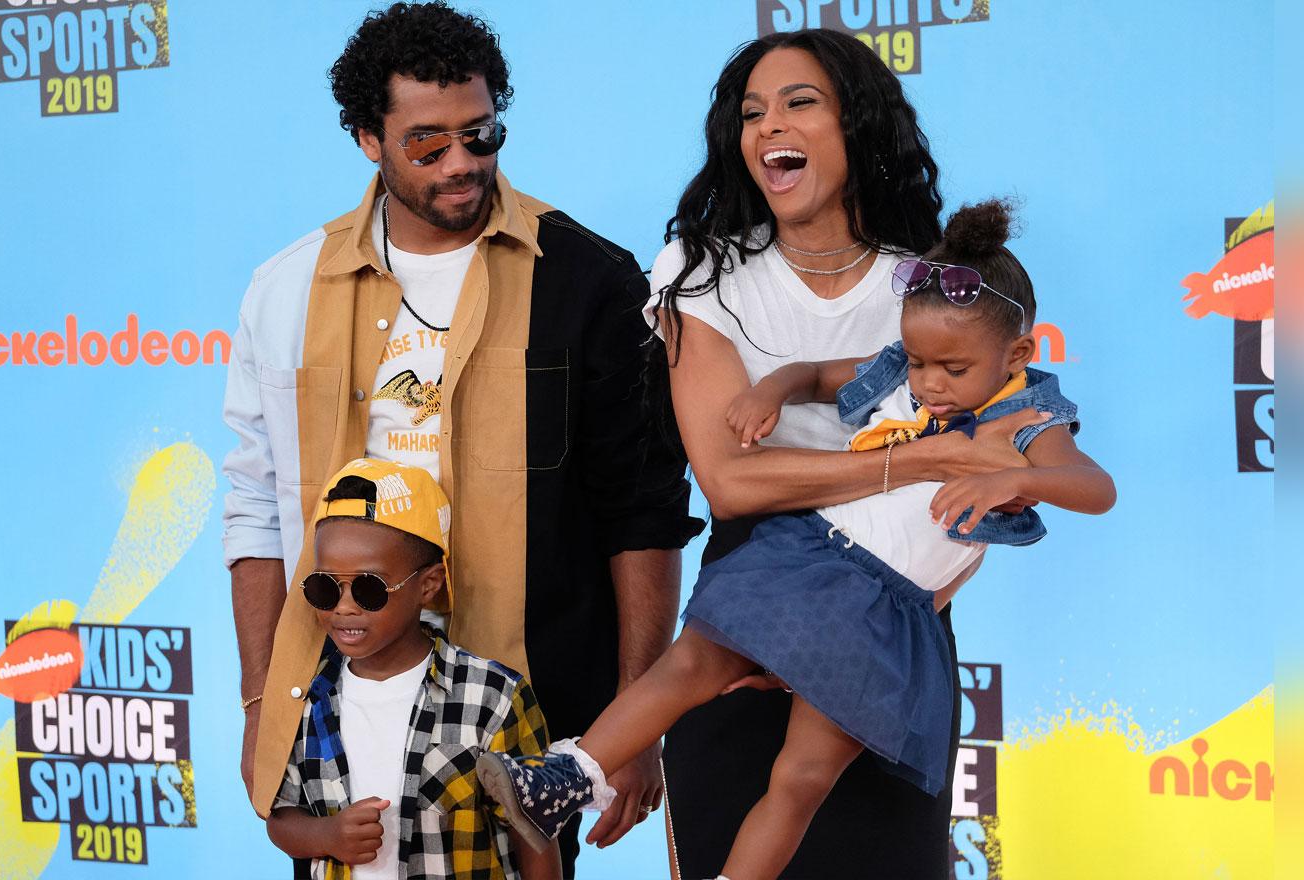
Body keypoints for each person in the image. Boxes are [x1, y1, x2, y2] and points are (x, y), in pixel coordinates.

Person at [476, 198, 1116, 880]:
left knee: (802, 777)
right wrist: (771, 390)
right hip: (810, 558)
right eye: (920, 361)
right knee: (690, 664)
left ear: (1017, 353)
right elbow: (818, 375)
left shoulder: (1028, 417)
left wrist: (1010, 480)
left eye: (952, 370)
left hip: (884, 616)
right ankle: (558, 783)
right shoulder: (906, 367)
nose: (928, 384)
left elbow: (1093, 488)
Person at [221, 3, 700, 875]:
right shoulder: (283, 291)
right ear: (369, 139)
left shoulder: (588, 278)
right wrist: (262, 697)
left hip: (531, 716)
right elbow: (254, 509)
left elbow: (644, 512)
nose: (462, 165)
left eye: (480, 136)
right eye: (427, 145)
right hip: (335, 704)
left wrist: (640, 715)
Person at [610, 29, 1052, 879]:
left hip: (895, 616)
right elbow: (732, 483)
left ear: (857, 124)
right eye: (750, 112)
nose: (768, 124)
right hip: (748, 608)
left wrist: (854, 625)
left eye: (798, 102)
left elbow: (990, 474)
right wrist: (918, 467)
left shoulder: (937, 285)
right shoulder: (699, 272)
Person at [268, 458, 561, 880]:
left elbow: (535, 833)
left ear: (429, 584)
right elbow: (279, 816)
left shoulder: (494, 697)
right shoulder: (305, 698)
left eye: (369, 588)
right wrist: (327, 835)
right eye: (325, 587)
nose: (344, 606)